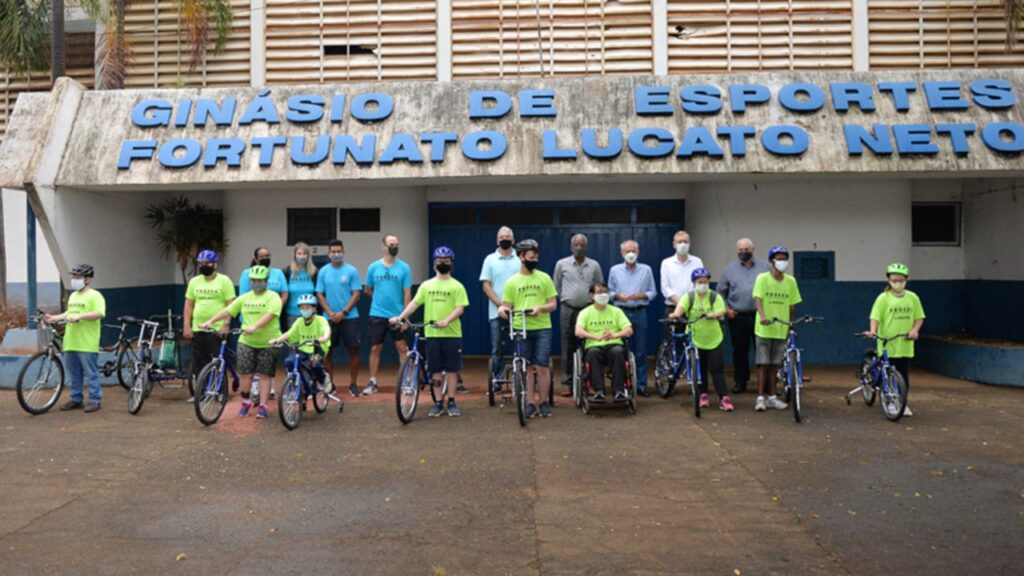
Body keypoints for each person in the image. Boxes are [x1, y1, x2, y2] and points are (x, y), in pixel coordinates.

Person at [391, 246, 469, 417]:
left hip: (452, 334)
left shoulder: (457, 286)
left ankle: (452, 401)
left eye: (446, 261)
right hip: (432, 334)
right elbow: (414, 303)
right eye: (440, 261)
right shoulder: (426, 285)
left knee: (452, 369)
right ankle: (438, 403)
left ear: (451, 264)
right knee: (435, 370)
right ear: (434, 264)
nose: (443, 263)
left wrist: (446, 321)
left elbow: (460, 308)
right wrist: (401, 317)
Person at [201, 265, 282, 419]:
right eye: (253, 280)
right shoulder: (245, 297)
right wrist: (211, 321)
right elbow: (229, 310)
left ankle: (263, 406)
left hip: (268, 341)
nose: (256, 283)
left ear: (266, 281)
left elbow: (271, 314)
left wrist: (255, 326)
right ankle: (246, 401)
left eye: (260, 280)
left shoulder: (273, 297)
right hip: (246, 340)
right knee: (245, 373)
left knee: (265, 374)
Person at [500, 239, 559, 418]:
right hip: (520, 328)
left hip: (542, 327)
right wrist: (503, 310)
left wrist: (540, 309)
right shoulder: (512, 282)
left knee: (542, 366)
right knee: (526, 367)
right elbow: (506, 305)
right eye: (531, 257)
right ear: (521, 256)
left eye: (536, 257)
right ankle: (530, 403)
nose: (534, 260)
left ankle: (543, 402)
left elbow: (553, 304)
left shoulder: (544, 278)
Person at [669, 268, 734, 412]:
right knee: (700, 368)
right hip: (695, 337)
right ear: (694, 283)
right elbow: (680, 308)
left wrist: (714, 314)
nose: (703, 284)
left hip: (714, 338)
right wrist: (675, 315)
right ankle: (702, 395)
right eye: (700, 282)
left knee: (716, 369)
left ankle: (724, 397)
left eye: (705, 281)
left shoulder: (714, 296)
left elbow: (721, 310)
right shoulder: (689, 297)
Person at [866, 262, 925, 417]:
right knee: (888, 374)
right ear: (888, 280)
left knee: (903, 375)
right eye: (894, 280)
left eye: (901, 280)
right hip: (888, 343)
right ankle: (891, 401)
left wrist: (914, 331)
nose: (897, 283)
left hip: (905, 344)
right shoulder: (883, 298)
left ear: (905, 280)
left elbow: (919, 317)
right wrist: (873, 331)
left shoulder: (913, 297)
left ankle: (902, 402)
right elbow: (875, 317)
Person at [716, 238, 771, 394]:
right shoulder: (729, 270)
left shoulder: (765, 267)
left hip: (760, 316)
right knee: (740, 350)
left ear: (753, 248)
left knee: (764, 349)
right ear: (736, 251)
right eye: (740, 250)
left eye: (746, 249)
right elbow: (720, 292)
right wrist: (727, 309)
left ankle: (767, 383)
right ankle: (741, 381)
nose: (743, 252)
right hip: (738, 316)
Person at [553, 233, 604, 397]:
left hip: (589, 309)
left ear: (586, 247)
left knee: (589, 346)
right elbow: (556, 287)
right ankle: (567, 382)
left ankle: (588, 381)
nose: (579, 247)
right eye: (576, 244)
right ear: (571, 247)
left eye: (582, 244)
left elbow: (599, 286)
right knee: (567, 345)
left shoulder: (594, 265)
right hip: (568, 309)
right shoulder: (562, 264)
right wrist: (567, 298)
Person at [752, 245, 801, 412]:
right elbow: (758, 300)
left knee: (775, 364)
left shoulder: (791, 281)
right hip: (764, 328)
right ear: (772, 261)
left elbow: (791, 306)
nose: (782, 262)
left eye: (784, 258)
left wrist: (789, 324)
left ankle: (773, 396)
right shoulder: (762, 278)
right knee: (763, 363)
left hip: (781, 329)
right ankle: (760, 398)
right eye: (779, 258)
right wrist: (763, 316)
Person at [51, 264, 106, 413]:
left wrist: (80, 317)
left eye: (78, 277)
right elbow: (69, 313)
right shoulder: (73, 295)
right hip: (71, 341)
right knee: (74, 373)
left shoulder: (95, 295)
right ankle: (76, 398)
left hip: (87, 342)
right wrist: (53, 317)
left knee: (91, 373)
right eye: (73, 277)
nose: (74, 280)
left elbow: (100, 313)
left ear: (87, 279)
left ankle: (95, 400)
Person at [183, 249, 235, 403]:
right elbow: (188, 305)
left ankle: (219, 390)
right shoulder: (194, 281)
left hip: (217, 328)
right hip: (198, 327)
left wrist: (226, 324)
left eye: (207, 263)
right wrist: (187, 325)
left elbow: (230, 305)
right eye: (201, 263)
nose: (204, 266)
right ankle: (202, 391)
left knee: (217, 359)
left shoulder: (224, 281)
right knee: (199, 360)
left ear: (215, 264)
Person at [364, 233, 412, 396]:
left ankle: (406, 382)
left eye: (396, 244)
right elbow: (368, 289)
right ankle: (372, 382)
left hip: (397, 315)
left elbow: (407, 293)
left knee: (402, 348)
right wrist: (378, 300)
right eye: (391, 244)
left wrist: (404, 316)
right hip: (377, 314)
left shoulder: (404, 268)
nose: (394, 247)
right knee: (375, 348)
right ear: (383, 246)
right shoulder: (373, 267)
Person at [608, 239, 657, 397]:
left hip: (640, 311)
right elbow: (608, 292)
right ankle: (622, 384)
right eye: (627, 251)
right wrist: (617, 296)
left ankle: (641, 385)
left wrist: (643, 295)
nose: (630, 254)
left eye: (633, 251)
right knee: (620, 350)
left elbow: (653, 291)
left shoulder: (646, 269)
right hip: (620, 312)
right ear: (622, 253)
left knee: (641, 350)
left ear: (638, 253)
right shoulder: (615, 270)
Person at [316, 239, 361, 398]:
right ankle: (330, 385)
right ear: (329, 254)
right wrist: (329, 312)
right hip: (329, 318)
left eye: (339, 251)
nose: (336, 254)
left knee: (353, 351)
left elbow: (356, 294)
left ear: (343, 252)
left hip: (350, 317)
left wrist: (344, 312)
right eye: (333, 252)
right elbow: (319, 294)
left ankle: (353, 384)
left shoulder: (352, 271)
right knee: (327, 351)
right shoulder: (323, 272)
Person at [269, 293, 332, 406]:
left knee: (314, 363)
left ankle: (323, 379)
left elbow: (326, 330)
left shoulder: (320, 320)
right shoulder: (299, 321)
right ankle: (297, 384)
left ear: (314, 308)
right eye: (302, 308)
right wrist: (277, 340)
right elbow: (289, 333)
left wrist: (323, 338)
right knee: (289, 362)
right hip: (302, 349)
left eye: (307, 307)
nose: (304, 310)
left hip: (316, 349)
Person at [574, 282, 633, 402]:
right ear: (592, 295)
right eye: (599, 292)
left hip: (614, 343)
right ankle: (598, 391)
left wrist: (614, 335)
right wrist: (594, 337)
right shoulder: (585, 312)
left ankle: (619, 391)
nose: (603, 295)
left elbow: (629, 330)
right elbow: (578, 331)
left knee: (617, 352)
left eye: (605, 292)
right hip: (594, 345)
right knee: (593, 353)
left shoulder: (616, 311)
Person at [479, 226, 519, 394]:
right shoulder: (490, 259)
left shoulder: (520, 259)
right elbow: (486, 285)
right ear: (497, 240)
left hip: (518, 312)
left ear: (513, 240)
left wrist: (513, 305)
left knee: (520, 346)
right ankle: (497, 381)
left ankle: (520, 380)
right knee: (497, 349)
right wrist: (500, 304)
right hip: (496, 312)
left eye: (508, 236)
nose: (505, 239)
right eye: (502, 237)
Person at [660, 230, 705, 338]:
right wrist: (681, 303)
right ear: (674, 244)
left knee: (694, 340)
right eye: (679, 242)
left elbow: (701, 283)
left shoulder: (697, 262)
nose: (682, 244)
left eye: (685, 241)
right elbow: (665, 287)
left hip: (693, 308)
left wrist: (688, 303)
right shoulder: (667, 263)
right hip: (672, 307)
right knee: (673, 341)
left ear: (690, 243)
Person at [283, 242, 318, 327]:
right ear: (294, 255)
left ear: (308, 256)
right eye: (299, 253)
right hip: (292, 313)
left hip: (311, 314)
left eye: (304, 254)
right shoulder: (287, 271)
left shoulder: (314, 272)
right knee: (293, 339)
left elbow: (318, 293)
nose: (302, 256)